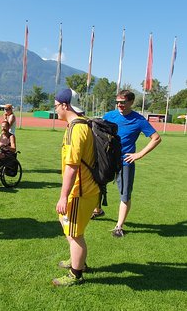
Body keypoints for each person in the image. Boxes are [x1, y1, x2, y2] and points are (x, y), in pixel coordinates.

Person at [52, 89, 100, 287]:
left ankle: (76, 274)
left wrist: (63, 197)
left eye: (55, 106)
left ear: (65, 105)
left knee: (75, 234)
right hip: (86, 189)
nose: (55, 110)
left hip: (80, 191)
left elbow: (72, 167)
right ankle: (77, 261)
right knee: (71, 229)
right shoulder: (83, 123)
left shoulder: (75, 129)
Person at [100, 89, 161, 237]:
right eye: (118, 102)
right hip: (107, 159)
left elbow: (156, 138)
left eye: (123, 102)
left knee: (125, 194)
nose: (119, 105)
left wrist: (139, 154)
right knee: (97, 184)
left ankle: (119, 227)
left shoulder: (139, 120)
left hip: (125, 162)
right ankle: (97, 210)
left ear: (131, 102)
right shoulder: (109, 116)